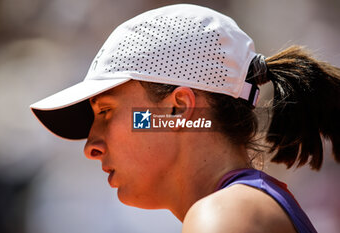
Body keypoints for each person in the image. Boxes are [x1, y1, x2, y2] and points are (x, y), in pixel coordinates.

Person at [30, 4, 340, 233]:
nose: (91, 146)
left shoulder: (225, 215)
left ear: (178, 109)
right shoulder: (241, 207)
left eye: (106, 111)